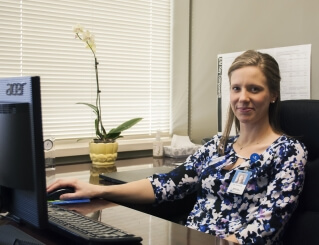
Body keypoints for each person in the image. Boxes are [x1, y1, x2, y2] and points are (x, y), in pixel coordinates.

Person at [47, 50, 307, 244]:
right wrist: (96, 189)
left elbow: (270, 222)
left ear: (273, 94)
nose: (243, 98)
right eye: (236, 88)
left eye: (254, 89)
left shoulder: (288, 151)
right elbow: (166, 185)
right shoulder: (218, 146)